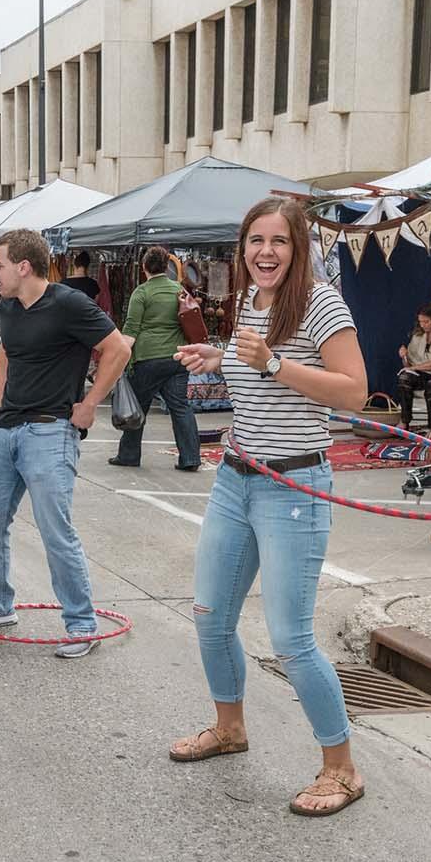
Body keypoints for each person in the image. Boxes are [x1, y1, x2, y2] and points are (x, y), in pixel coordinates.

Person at [170, 197, 368, 817]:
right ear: (243, 248)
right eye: (255, 240)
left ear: (298, 247)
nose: (265, 252)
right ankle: (229, 728)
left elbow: (355, 392)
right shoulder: (251, 301)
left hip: (293, 489)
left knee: (291, 640)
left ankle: (341, 768)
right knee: (209, 616)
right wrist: (221, 359)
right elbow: (256, 377)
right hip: (235, 479)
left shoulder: (319, 302)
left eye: (278, 241)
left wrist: (275, 363)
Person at [0, 229, 131, 659]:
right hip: (6, 430)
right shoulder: (8, 306)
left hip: (51, 431)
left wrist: (91, 403)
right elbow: (6, 348)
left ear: (23, 266)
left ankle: (82, 624)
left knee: (56, 531)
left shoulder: (68, 303)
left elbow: (118, 349)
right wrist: (1, 386)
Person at [110, 247, 201, 471]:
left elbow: (131, 331)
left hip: (147, 359)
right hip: (176, 357)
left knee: (137, 406)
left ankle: (129, 455)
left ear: (144, 268)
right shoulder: (179, 290)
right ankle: (190, 458)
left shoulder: (141, 293)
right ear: (166, 267)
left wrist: (115, 359)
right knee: (180, 407)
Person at [396, 302, 431, 429]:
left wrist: (414, 368)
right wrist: (404, 356)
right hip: (419, 372)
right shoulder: (418, 335)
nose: (422, 325)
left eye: (426, 322)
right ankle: (404, 420)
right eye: (420, 321)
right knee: (404, 378)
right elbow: (409, 365)